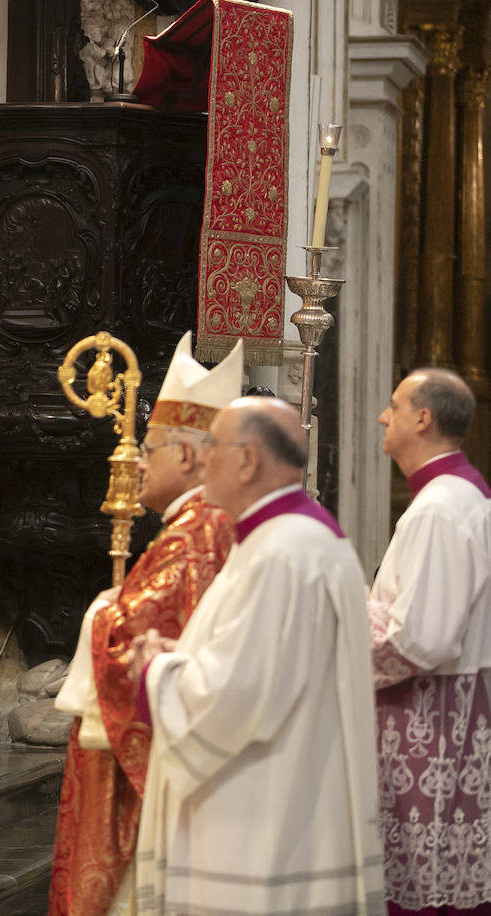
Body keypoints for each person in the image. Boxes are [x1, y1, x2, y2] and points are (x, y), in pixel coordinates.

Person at [131, 397, 384, 914]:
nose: (202, 462)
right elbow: (268, 659)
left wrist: (156, 669)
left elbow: (235, 694)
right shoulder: (292, 539)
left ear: (247, 460)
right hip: (293, 803)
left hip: (263, 831)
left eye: (214, 448)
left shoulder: (281, 552)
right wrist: (191, 651)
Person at [48, 332, 241, 916]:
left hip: (159, 765)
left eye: (150, 449)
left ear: (187, 456)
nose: (135, 460)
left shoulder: (198, 532)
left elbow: (135, 633)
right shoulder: (202, 524)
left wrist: (105, 609)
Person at [368, 369, 491, 914]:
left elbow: (422, 640)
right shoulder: (456, 496)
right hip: (443, 708)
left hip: (428, 720)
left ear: (424, 418)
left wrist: (339, 645)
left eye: (394, 405)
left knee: (425, 880)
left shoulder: (441, 508)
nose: (382, 416)